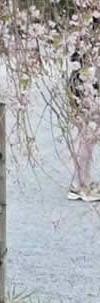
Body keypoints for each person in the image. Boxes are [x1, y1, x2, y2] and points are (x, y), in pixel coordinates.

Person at [66, 49, 99, 202]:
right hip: (86, 83)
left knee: (86, 136)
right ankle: (79, 184)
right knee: (87, 136)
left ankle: (81, 181)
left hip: (84, 81)